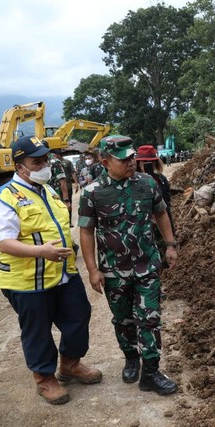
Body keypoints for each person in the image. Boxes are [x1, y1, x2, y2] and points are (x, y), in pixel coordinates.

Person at [0, 135, 101, 405]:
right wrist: (41, 252)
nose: (44, 165)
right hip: (27, 281)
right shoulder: (3, 199)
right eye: (36, 162)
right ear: (19, 166)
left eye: (45, 159)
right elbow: (4, 242)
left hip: (62, 274)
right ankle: (45, 379)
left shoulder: (47, 190)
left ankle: (70, 365)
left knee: (78, 317)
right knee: (37, 331)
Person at [79, 135, 178, 395]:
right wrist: (92, 269)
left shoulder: (147, 183)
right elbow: (86, 232)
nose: (131, 162)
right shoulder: (92, 193)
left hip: (147, 266)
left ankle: (151, 372)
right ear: (105, 162)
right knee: (123, 320)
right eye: (123, 159)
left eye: (132, 157)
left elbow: (161, 213)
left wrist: (169, 245)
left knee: (149, 319)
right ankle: (131, 358)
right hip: (114, 271)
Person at [135, 145, 176, 270]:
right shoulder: (133, 183)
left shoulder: (161, 179)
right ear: (138, 163)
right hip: (142, 231)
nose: (148, 165)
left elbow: (166, 207)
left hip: (160, 228)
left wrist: (171, 235)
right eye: (145, 162)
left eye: (151, 162)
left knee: (163, 261)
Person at [55, 150, 78, 227]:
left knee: (68, 203)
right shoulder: (53, 163)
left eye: (55, 154)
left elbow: (73, 172)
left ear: (59, 155)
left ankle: (69, 221)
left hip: (67, 186)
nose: (54, 156)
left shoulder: (67, 162)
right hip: (57, 187)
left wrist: (76, 183)